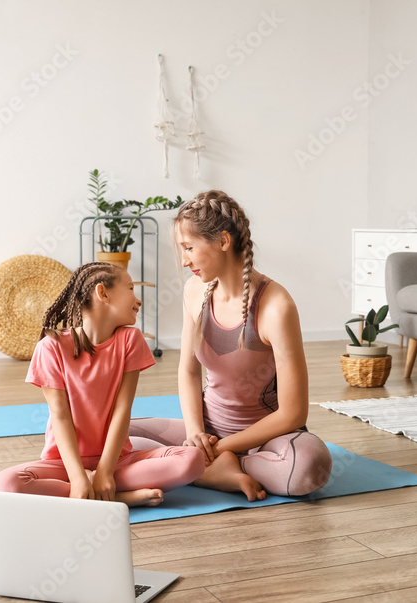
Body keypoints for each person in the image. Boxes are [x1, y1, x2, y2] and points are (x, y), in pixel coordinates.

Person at [129, 190, 332, 501]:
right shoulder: (195, 291)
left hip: (266, 441)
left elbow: (293, 413)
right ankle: (211, 468)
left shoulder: (276, 306)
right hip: (207, 430)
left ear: (223, 241)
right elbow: (187, 371)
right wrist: (197, 436)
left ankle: (207, 467)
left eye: (189, 248)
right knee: (106, 436)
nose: (184, 261)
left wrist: (222, 449)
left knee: (309, 466)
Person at [0, 262, 204, 506]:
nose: (138, 300)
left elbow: (122, 410)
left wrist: (104, 471)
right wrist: (77, 476)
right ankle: (118, 497)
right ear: (103, 293)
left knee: (191, 460)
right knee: (6, 484)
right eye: (131, 289)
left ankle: (92, 492)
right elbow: (60, 416)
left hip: (117, 462)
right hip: (63, 464)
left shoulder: (130, 340)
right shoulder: (50, 347)